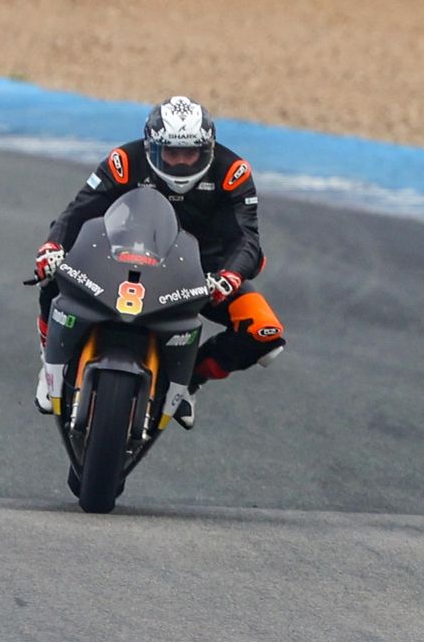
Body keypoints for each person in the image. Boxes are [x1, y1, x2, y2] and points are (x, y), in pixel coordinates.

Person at [31, 96, 285, 426]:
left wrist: (231, 275)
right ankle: (50, 360)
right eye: (171, 152)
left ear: (208, 148)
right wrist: (52, 247)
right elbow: (79, 210)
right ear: (151, 147)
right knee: (54, 272)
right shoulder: (124, 161)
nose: (180, 162)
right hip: (123, 256)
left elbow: (247, 238)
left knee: (264, 331)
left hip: (204, 274)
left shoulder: (232, 173)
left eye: (190, 153)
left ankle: (190, 380)